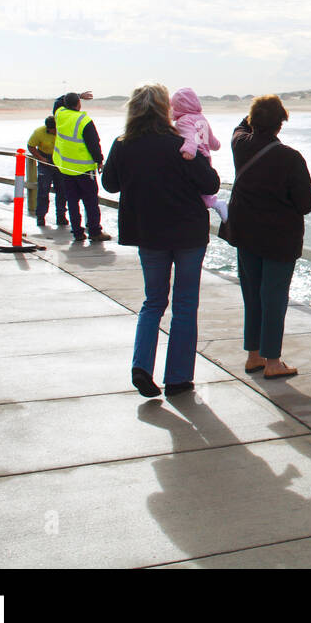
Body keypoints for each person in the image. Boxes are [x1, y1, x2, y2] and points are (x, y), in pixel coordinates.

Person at [102, 83, 220, 398]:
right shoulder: (179, 144)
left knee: (153, 301)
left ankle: (142, 365)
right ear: (164, 109)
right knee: (185, 304)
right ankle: (179, 377)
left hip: (149, 234)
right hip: (188, 233)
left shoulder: (123, 144)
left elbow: (110, 184)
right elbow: (210, 181)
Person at [221, 95, 311, 379]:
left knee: (252, 295)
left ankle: (253, 355)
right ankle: (273, 361)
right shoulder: (289, 157)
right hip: (278, 239)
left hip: (246, 234)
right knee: (274, 298)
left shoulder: (240, 145)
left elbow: (240, 127)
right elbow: (306, 203)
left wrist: (252, 115)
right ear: (280, 124)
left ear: (252, 121)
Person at [52, 92, 112, 243]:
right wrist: (99, 161)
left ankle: (77, 232)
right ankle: (94, 231)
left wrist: (77, 94)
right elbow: (93, 143)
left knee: (72, 201)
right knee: (90, 201)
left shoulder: (59, 114)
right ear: (79, 104)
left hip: (66, 168)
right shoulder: (84, 120)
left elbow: (57, 102)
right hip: (84, 169)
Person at [170, 87, 228, 221]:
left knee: (196, 190)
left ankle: (216, 204)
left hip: (196, 156)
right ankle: (216, 203)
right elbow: (210, 138)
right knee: (202, 187)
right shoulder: (201, 118)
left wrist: (189, 151)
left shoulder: (183, 121)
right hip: (206, 156)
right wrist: (216, 145)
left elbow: (190, 137)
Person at [27, 115, 67, 226]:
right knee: (43, 190)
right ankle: (40, 216)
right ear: (48, 128)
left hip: (59, 162)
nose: (54, 131)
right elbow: (30, 146)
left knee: (62, 190)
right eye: (52, 130)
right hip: (45, 161)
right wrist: (41, 158)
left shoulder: (62, 131)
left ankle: (61, 216)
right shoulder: (38, 132)